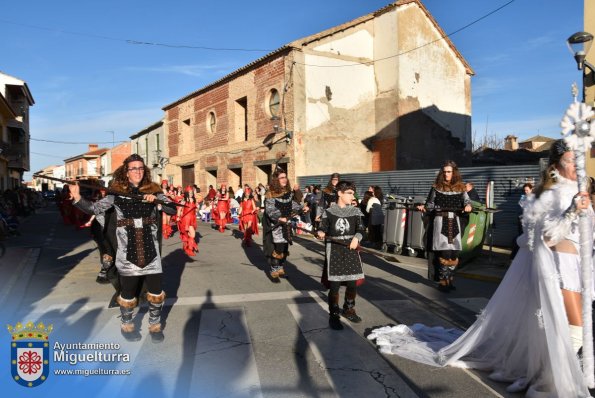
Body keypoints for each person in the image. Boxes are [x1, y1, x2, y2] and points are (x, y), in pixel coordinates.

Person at [369, 140, 593, 397]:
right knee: (576, 327)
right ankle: (551, 381)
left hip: (576, 266)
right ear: (555, 166)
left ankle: (550, 374)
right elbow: (545, 238)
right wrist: (572, 212)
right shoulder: (549, 196)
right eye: (569, 160)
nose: (576, 165)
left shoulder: (579, 190)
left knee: (562, 327)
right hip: (559, 268)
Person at [69, 154, 177, 343]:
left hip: (151, 251)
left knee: (156, 291)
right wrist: (77, 197)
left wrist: (157, 201)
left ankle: (155, 326)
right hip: (127, 252)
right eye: (133, 168)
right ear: (126, 173)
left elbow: (172, 209)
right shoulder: (115, 195)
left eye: (141, 168)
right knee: (128, 291)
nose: (138, 171)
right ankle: (127, 325)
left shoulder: (154, 191)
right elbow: (95, 209)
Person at [316, 181, 365, 330]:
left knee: (351, 283)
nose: (352, 196)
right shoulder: (329, 212)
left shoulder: (355, 212)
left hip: (351, 251)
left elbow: (361, 229)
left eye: (353, 193)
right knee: (335, 286)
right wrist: (321, 232)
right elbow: (322, 228)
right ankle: (334, 314)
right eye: (349, 193)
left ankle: (349, 309)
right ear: (340, 193)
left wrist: (356, 238)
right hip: (335, 251)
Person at [418, 161, 472, 291]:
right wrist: (425, 208)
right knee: (444, 251)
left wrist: (468, 206)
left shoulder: (461, 188)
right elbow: (430, 203)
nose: (447, 174)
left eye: (449, 172)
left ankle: (450, 281)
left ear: (454, 173)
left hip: (455, 221)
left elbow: (467, 201)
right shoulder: (436, 187)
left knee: (454, 253)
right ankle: (443, 282)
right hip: (440, 221)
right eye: (445, 172)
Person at [262, 168, 308, 281]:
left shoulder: (288, 193)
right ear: (276, 180)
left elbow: (293, 205)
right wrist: (279, 217)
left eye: (285, 177)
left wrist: (303, 208)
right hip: (274, 224)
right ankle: (274, 268)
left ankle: (280, 267)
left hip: (286, 223)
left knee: (284, 247)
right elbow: (270, 210)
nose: (285, 179)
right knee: (276, 247)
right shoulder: (270, 193)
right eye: (282, 177)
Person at [177, 186, 199, 256]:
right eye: (189, 193)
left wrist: (197, 208)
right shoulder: (184, 201)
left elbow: (196, 210)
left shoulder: (194, 200)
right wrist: (178, 216)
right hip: (186, 219)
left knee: (189, 235)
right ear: (187, 193)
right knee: (192, 234)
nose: (191, 194)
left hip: (192, 219)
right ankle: (189, 249)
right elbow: (179, 209)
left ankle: (186, 246)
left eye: (191, 192)